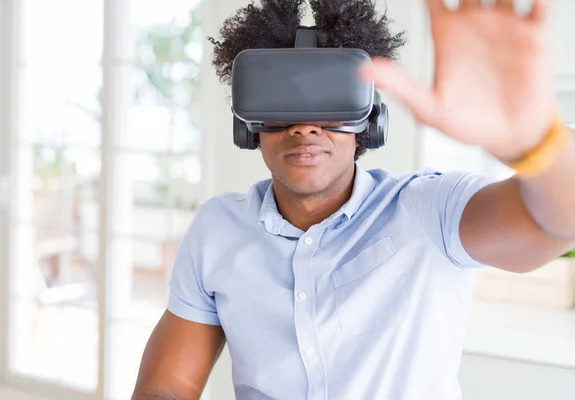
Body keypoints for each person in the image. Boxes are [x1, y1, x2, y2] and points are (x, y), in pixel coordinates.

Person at [131, 0, 575, 399]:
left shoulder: (429, 209)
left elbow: (553, 225)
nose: (304, 126)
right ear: (247, 126)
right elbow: (167, 385)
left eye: (328, 100)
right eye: (282, 100)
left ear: (369, 121)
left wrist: (536, 143)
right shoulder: (218, 229)